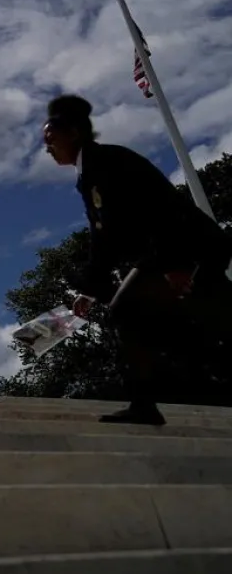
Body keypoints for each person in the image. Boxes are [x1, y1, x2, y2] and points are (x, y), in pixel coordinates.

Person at [44, 94, 232, 425]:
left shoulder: (109, 163)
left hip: (188, 246)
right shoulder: (89, 174)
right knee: (211, 319)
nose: (46, 147)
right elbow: (104, 239)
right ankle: (144, 403)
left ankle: (144, 405)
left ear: (73, 133)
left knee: (128, 312)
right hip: (167, 253)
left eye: (50, 138)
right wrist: (90, 289)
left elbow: (161, 209)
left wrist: (175, 263)